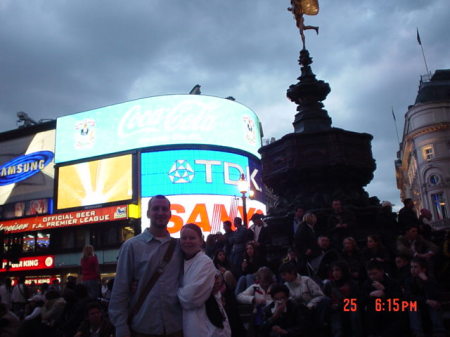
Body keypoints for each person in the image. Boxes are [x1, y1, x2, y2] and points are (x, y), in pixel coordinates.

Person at [109, 195, 183, 337]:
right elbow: (121, 287)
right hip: (144, 327)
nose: (160, 212)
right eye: (155, 209)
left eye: (164, 209)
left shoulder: (180, 247)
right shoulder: (131, 246)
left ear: (170, 214)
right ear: (148, 213)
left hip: (176, 326)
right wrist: (120, 325)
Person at [177, 223, 231, 337]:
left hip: (207, 328)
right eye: (184, 238)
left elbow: (191, 298)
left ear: (201, 240)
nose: (187, 241)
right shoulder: (178, 261)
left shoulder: (205, 262)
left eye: (192, 238)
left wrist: (169, 293)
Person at [404, 257, 446, 337]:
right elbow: (409, 296)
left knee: (435, 304)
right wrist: (426, 301)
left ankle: (439, 332)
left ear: (423, 269)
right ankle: (417, 333)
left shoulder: (431, 280)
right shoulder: (408, 281)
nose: (412, 269)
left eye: (415, 267)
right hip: (419, 304)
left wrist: (426, 281)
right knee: (412, 305)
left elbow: (435, 295)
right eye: (411, 267)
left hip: (429, 305)